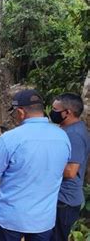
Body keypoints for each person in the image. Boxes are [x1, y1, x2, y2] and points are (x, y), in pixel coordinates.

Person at [0, 89, 71, 241]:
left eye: (14, 113)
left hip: (11, 218)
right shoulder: (62, 136)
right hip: (43, 220)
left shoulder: (9, 139)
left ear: (21, 112)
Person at [50, 93, 90, 241]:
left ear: (67, 113)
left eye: (55, 109)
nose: (52, 112)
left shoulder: (74, 135)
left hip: (64, 201)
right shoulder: (68, 130)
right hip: (61, 199)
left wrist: (43, 166)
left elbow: (71, 171)